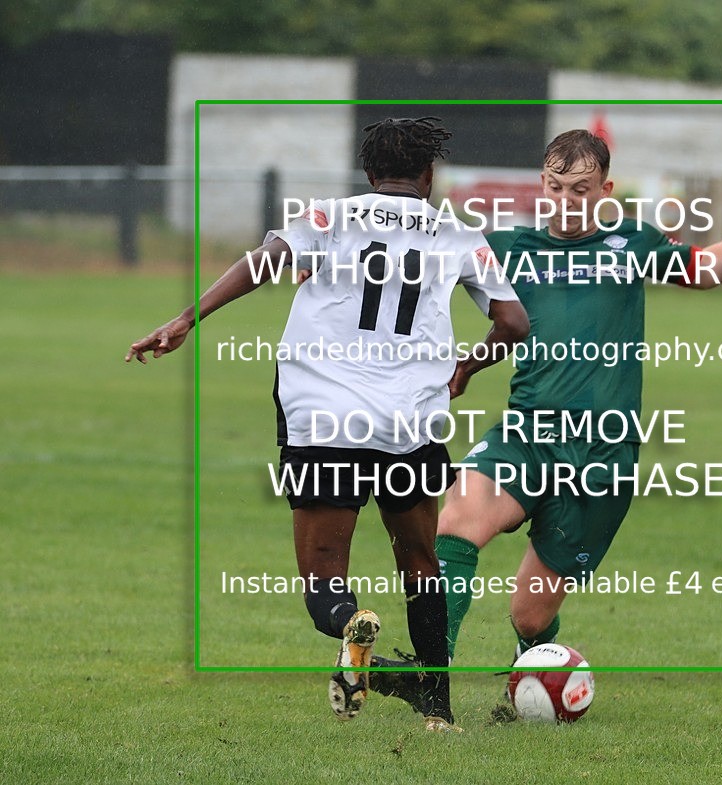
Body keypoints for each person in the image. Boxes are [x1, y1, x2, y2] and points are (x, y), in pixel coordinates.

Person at [125, 117, 529, 732]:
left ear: (369, 174)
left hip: (323, 418)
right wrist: (468, 367)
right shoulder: (458, 235)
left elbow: (263, 263)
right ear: (428, 175)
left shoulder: (329, 217)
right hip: (410, 421)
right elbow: (515, 324)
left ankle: (349, 629)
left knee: (323, 580)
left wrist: (187, 318)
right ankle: (438, 710)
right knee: (420, 561)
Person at [428, 129, 722, 711]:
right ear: (542, 185)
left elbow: (704, 269)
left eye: (580, 189)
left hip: (602, 460)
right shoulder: (508, 247)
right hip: (527, 435)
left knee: (528, 615)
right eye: (555, 187)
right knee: (456, 520)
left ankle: (533, 679)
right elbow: (422, 269)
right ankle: (432, 682)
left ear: (605, 189)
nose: (565, 200)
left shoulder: (631, 242)